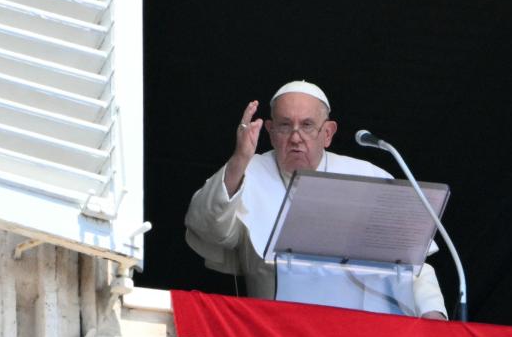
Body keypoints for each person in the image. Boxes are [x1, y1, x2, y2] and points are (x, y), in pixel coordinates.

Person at [184, 80, 448, 319]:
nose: (296, 137)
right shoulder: (249, 172)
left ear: (328, 133)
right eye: (285, 126)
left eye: (307, 125)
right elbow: (208, 228)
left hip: (367, 333)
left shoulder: (367, 175)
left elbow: (410, 264)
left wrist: (432, 312)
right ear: (271, 131)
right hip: (276, 330)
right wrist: (239, 159)